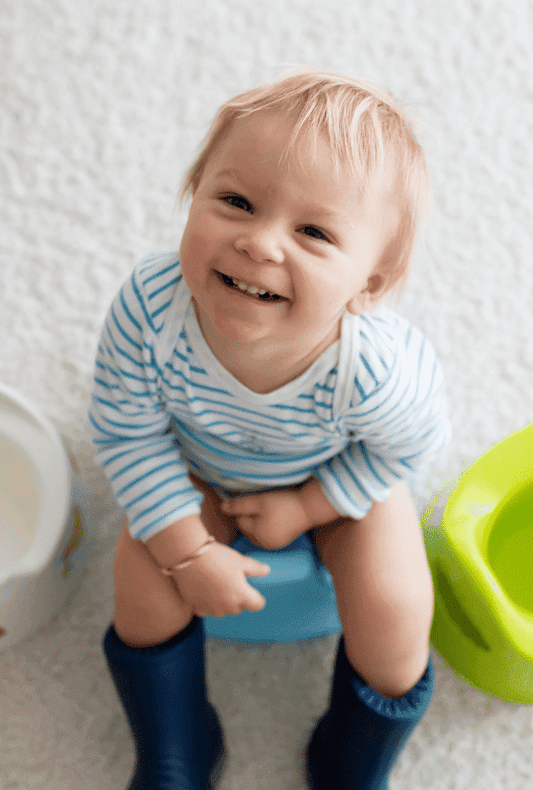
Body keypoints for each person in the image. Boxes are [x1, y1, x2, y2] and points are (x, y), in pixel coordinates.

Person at [90, 67, 450, 790]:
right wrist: (189, 553)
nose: (259, 243)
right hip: (196, 466)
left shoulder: (374, 371)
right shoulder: (149, 309)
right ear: (194, 196)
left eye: (313, 231)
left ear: (367, 286)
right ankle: (177, 747)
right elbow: (126, 432)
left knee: (397, 607)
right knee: (140, 583)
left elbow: (409, 447)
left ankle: (352, 759)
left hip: (330, 468)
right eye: (234, 201)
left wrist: (312, 504)